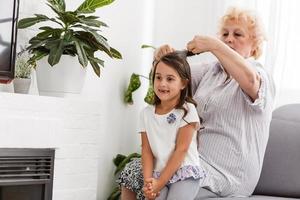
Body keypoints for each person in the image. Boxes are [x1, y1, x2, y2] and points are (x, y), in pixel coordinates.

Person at [117, 7, 275, 200]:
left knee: (163, 181)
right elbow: (173, 79)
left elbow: (251, 81)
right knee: (134, 171)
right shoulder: (211, 71)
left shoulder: (258, 74)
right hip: (195, 162)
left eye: (238, 34)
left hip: (228, 174)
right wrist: (160, 57)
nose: (229, 39)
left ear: (255, 44)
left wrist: (215, 45)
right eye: (225, 34)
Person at [140, 52, 206, 200]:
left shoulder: (187, 110)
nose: (162, 84)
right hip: (159, 173)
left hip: (184, 172)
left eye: (170, 79)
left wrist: (159, 183)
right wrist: (149, 183)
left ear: (183, 83)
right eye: (158, 77)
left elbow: (181, 150)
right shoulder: (146, 114)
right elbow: (146, 150)